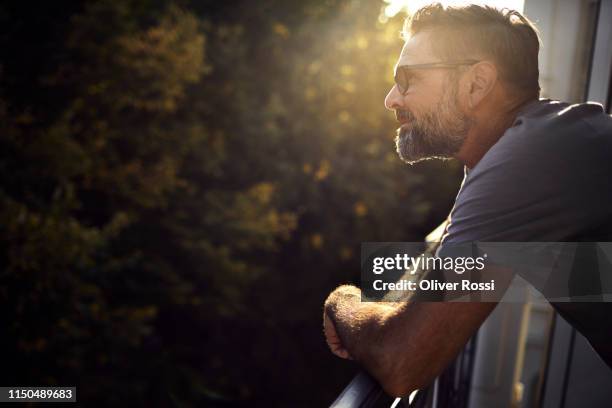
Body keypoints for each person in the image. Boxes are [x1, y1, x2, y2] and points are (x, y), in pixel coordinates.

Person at [322, 3, 612, 397]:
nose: (392, 99)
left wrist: (344, 303)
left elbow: (402, 360)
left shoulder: (525, 161)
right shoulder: (531, 149)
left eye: (407, 79)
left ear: (476, 84)